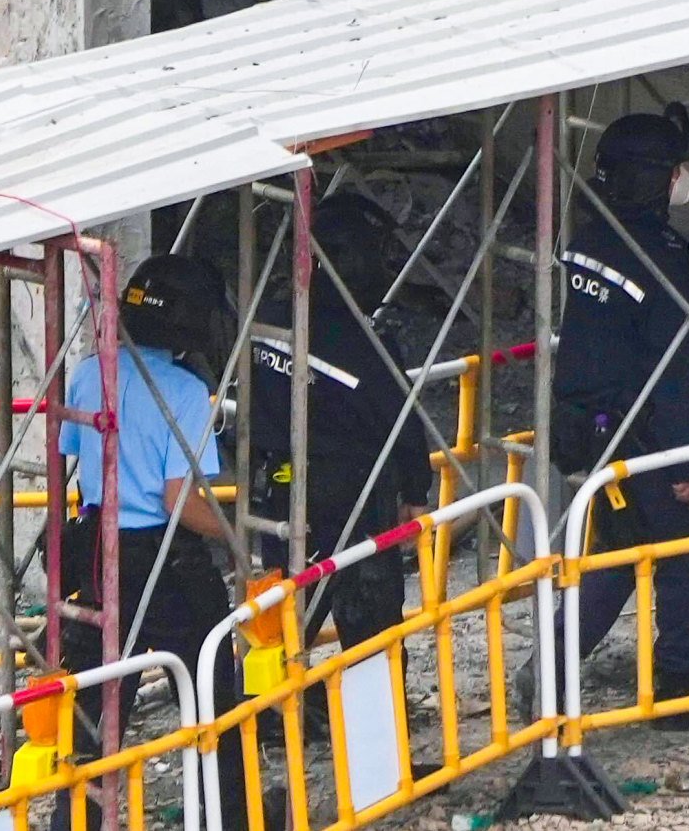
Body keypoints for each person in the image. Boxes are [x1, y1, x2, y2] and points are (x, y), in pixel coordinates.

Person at [551, 107, 689, 731]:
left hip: (598, 423)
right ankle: (680, 687)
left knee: (616, 548)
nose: (683, 179)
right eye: (675, 170)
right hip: (649, 430)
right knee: (683, 554)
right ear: (653, 179)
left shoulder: (589, 238)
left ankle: (552, 668)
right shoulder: (656, 254)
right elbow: (678, 362)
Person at [64, 250, 249, 831]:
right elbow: (179, 502)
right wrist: (235, 540)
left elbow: (75, 460)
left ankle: (77, 819)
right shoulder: (188, 392)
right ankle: (221, 816)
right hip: (161, 555)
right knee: (209, 686)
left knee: (93, 695)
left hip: (96, 547)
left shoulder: (89, 372)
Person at [241, 195, 431, 654]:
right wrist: (417, 491)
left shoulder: (265, 320)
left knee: (280, 624)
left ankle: (268, 720)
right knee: (370, 629)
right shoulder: (364, 346)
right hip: (355, 497)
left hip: (276, 490)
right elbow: (401, 426)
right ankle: (377, 723)